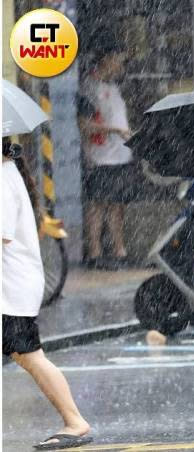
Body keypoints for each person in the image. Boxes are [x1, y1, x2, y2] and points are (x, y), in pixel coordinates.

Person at [2, 139, 93, 450]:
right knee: (28, 356)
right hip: (14, 287)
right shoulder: (8, 172)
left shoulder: (2, 178)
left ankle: (74, 420)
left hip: (11, 290)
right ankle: (73, 419)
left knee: (29, 356)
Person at [77, 45, 135, 269]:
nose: (120, 67)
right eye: (117, 61)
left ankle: (120, 251)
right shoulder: (90, 88)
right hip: (101, 158)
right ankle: (95, 253)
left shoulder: (114, 87)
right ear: (107, 60)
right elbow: (85, 126)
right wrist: (114, 130)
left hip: (120, 156)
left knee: (117, 205)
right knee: (98, 205)